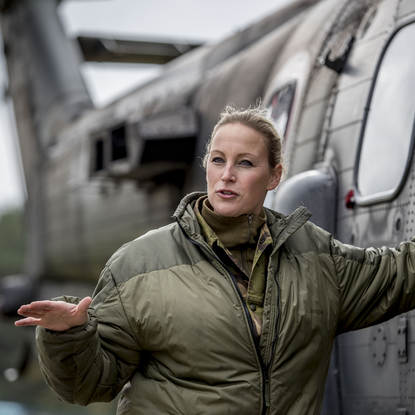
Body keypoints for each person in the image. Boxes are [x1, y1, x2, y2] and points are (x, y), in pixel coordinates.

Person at [15, 105, 415, 415]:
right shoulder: (139, 265)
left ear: (274, 176)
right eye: (218, 160)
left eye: (245, 163)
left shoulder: (315, 255)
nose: (227, 175)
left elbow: (398, 273)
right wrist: (68, 336)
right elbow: (87, 385)